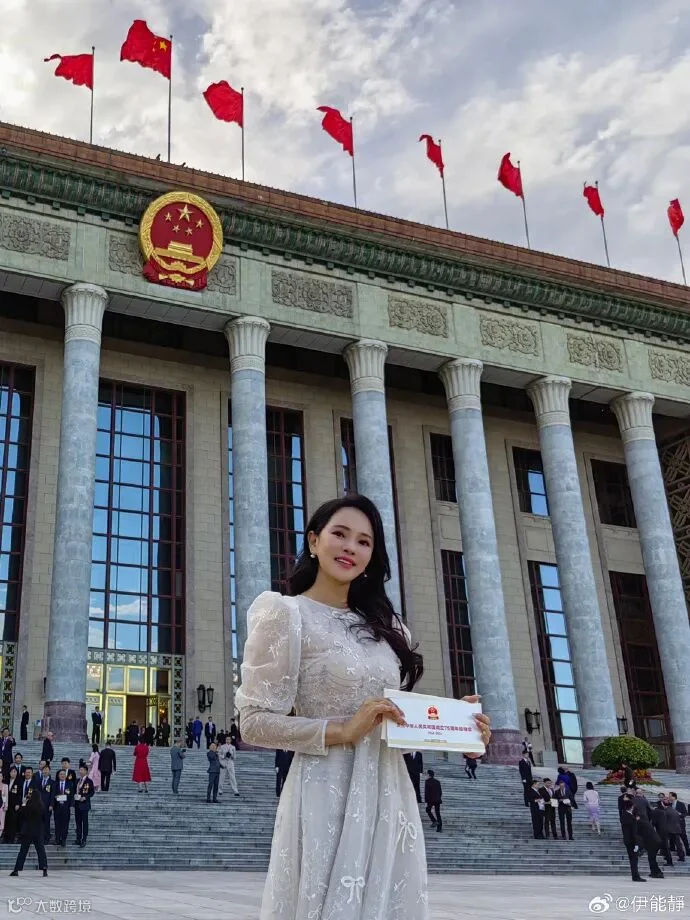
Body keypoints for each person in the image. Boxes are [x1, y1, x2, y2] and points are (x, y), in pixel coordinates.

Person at [236, 495, 491, 920]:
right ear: (314, 541)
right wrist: (342, 730)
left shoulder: (389, 628)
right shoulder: (285, 614)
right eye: (339, 534)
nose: (350, 548)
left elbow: (393, 719)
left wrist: (458, 727)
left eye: (364, 541)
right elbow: (253, 723)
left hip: (389, 793)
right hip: (325, 787)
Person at [9, 785, 47, 878]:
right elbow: (44, 819)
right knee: (41, 851)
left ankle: (16, 870)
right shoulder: (42, 806)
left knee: (23, 851)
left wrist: (23, 804)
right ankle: (44, 869)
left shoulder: (28, 805)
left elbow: (22, 815)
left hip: (27, 831)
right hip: (38, 831)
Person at [621, 799, 645, 882]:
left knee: (632, 859)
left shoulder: (624, 815)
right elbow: (633, 832)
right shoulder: (631, 817)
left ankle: (635, 876)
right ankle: (636, 876)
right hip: (632, 841)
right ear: (631, 807)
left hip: (627, 840)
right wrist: (636, 843)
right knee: (634, 859)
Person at [73, 765, 94, 848]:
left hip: (84, 805)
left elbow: (92, 792)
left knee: (84, 823)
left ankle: (84, 839)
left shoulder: (89, 781)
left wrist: (85, 797)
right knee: (78, 822)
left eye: (82, 770)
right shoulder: (77, 780)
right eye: (80, 770)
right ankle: (78, 838)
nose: (80, 771)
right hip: (77, 804)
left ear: (86, 771)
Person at [52, 768, 73, 847]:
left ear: (66, 775)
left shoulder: (69, 784)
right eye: (61, 774)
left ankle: (63, 839)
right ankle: (57, 839)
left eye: (64, 774)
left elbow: (71, 795)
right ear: (58, 776)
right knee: (57, 823)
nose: (62, 775)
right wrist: (54, 798)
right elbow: (52, 795)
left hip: (66, 807)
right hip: (57, 807)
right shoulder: (55, 784)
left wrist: (71, 805)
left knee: (65, 824)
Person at [662, 795, 686, 862]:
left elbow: (664, 820)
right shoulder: (674, 811)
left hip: (669, 829)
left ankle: (667, 856)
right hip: (676, 828)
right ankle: (681, 856)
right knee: (678, 844)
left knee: (665, 843)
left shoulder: (666, 811)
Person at [651, 799, 674, 866]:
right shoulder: (664, 811)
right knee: (665, 847)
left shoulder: (656, 811)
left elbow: (653, 822)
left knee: (659, 846)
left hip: (660, 832)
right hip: (665, 831)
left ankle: (668, 861)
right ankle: (669, 860)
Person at [3, 766, 20, 843]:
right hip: (6, 804)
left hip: (14, 805)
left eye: (15, 771)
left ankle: (11, 838)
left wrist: (18, 803)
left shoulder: (19, 782)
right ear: (9, 773)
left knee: (12, 821)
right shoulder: (6, 781)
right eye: (12, 771)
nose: (13, 773)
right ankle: (5, 837)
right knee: (6, 821)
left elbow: (20, 794)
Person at [38, 764, 54, 843]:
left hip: (47, 806)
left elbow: (52, 795)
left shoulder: (52, 782)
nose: (45, 771)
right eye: (44, 770)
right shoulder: (38, 781)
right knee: (39, 822)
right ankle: (40, 837)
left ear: (49, 771)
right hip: (39, 806)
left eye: (47, 770)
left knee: (46, 822)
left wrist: (51, 804)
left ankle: (46, 838)